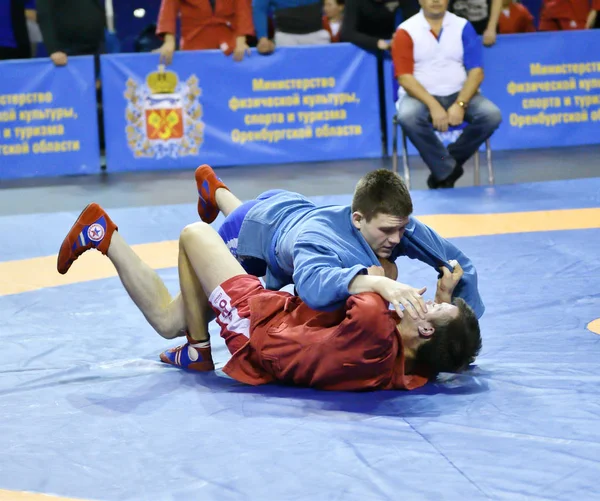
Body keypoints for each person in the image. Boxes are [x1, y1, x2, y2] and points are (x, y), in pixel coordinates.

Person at [55, 203, 482, 391]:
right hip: (281, 323)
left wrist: (381, 280)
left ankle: (199, 348)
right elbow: (455, 357)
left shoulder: (373, 322)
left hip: (260, 331)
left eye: (432, 307)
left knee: (195, 235)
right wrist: (446, 302)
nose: (421, 299)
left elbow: (338, 288)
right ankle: (107, 236)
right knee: (173, 318)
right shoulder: (416, 371)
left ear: (424, 328)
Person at [194, 164, 484, 316]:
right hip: (253, 232)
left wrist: (459, 335)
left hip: (291, 208)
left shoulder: (394, 223)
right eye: (386, 232)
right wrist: (377, 282)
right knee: (186, 317)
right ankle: (215, 190)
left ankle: (215, 188)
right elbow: (311, 286)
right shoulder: (318, 239)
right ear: (358, 219)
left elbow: (461, 265)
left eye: (401, 229)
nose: (397, 239)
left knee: (382, 264)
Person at [391, 0, 502, 189]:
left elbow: (476, 71)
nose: (435, 1)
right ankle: (446, 168)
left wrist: (460, 104)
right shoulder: (406, 30)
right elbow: (404, 77)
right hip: (419, 96)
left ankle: (444, 164)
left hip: (459, 93)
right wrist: (434, 105)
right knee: (407, 116)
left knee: (491, 115)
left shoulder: (463, 26)